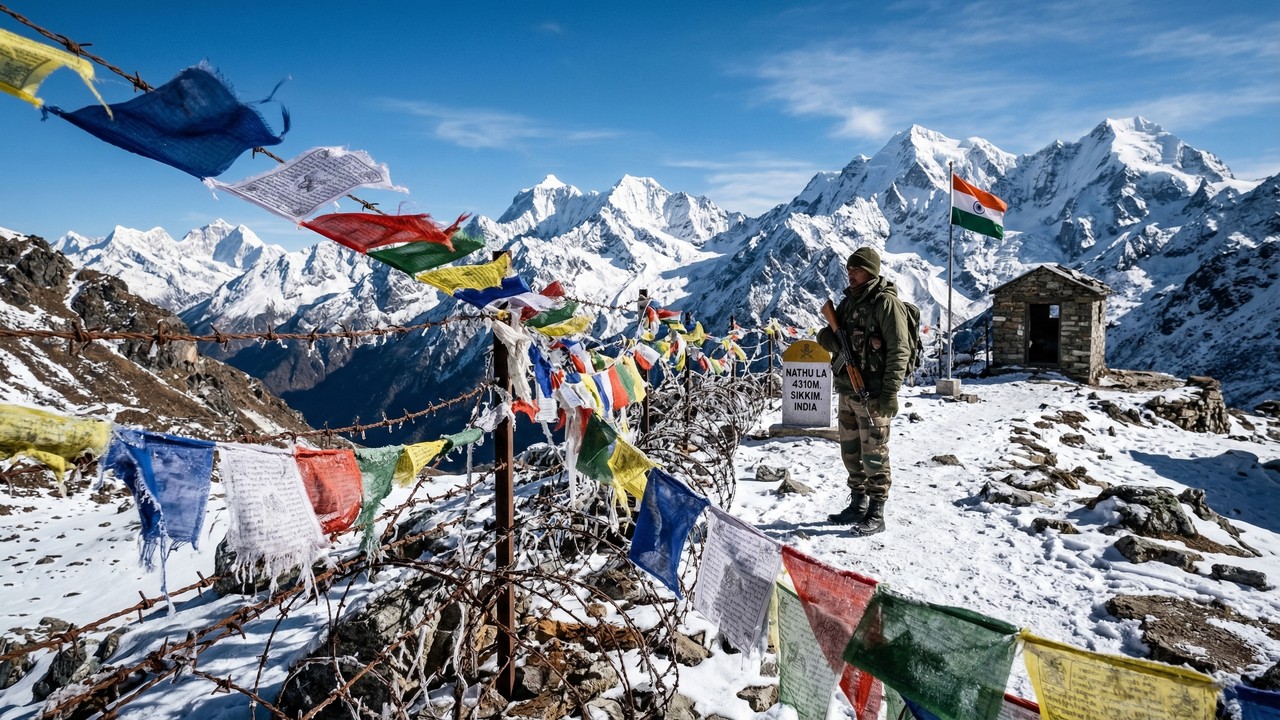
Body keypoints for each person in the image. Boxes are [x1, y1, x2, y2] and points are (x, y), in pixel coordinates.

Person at [815, 247, 910, 536]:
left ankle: (876, 512)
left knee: (874, 454)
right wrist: (830, 339)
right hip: (848, 390)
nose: (850, 274)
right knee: (851, 452)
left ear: (871, 271)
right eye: (849, 269)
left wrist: (890, 393)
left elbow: (899, 351)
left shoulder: (886, 304)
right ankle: (857, 503)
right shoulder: (848, 303)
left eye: (856, 269)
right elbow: (830, 338)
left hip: (874, 395)